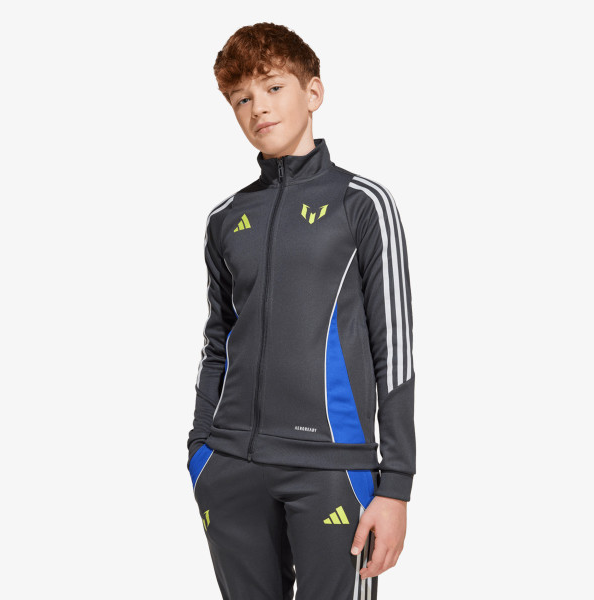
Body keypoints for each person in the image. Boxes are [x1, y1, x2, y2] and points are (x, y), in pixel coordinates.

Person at [186, 22, 416, 600]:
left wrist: (396, 485)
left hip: (332, 469)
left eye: (273, 87)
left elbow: (394, 351)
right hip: (231, 466)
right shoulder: (225, 219)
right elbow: (218, 341)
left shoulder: (362, 204)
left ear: (313, 92)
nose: (258, 108)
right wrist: (201, 449)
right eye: (241, 99)